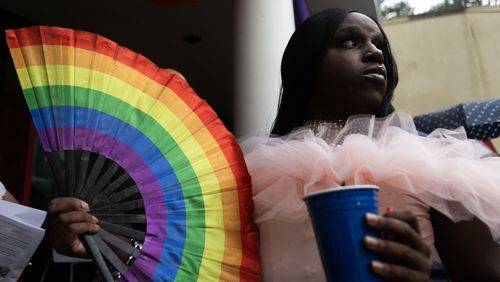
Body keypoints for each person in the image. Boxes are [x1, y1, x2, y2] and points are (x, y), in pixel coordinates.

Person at [241, 8, 500, 282]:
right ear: (306, 62)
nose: (376, 53)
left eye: (380, 46)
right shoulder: (250, 179)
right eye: (350, 41)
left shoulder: (431, 163)